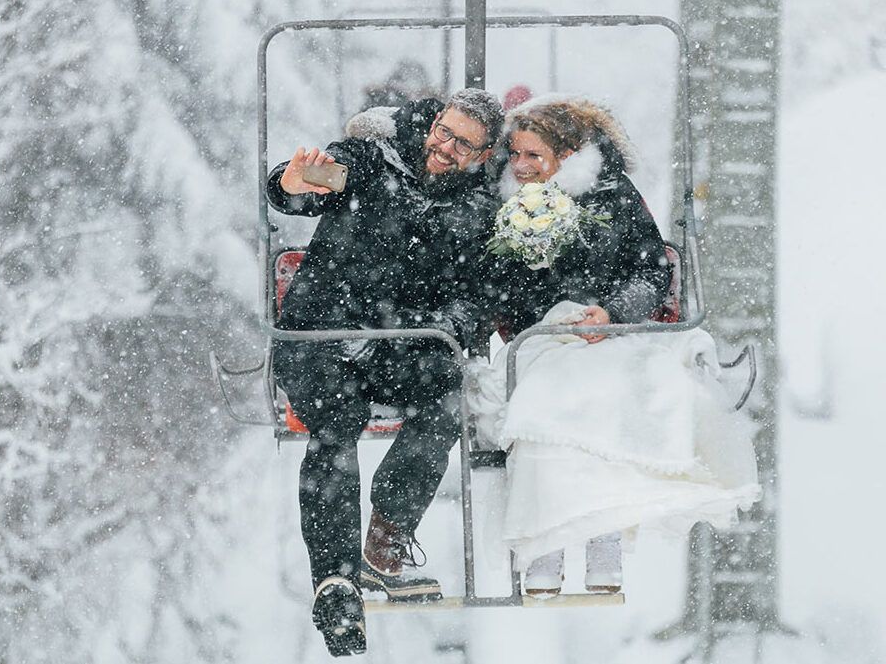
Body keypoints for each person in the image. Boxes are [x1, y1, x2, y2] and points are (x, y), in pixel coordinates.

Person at [472, 96, 761, 597]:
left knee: (609, 398)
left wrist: (610, 312)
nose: (520, 166)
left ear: (566, 154)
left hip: (614, 334)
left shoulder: (613, 196)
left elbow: (650, 270)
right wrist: (532, 270)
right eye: (514, 154)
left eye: (533, 155)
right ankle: (547, 543)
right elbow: (490, 287)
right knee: (546, 406)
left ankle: (602, 536)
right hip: (543, 337)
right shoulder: (504, 204)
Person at [267, 89, 503, 656]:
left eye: (463, 145)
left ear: (483, 154)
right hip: (323, 333)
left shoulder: (478, 209)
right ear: (434, 122)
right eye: (444, 132)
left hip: (399, 343)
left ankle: (388, 532)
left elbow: (475, 299)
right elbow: (319, 181)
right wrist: (294, 183)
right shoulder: (376, 158)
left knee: (446, 405)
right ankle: (337, 582)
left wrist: (430, 328)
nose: (445, 148)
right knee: (336, 419)